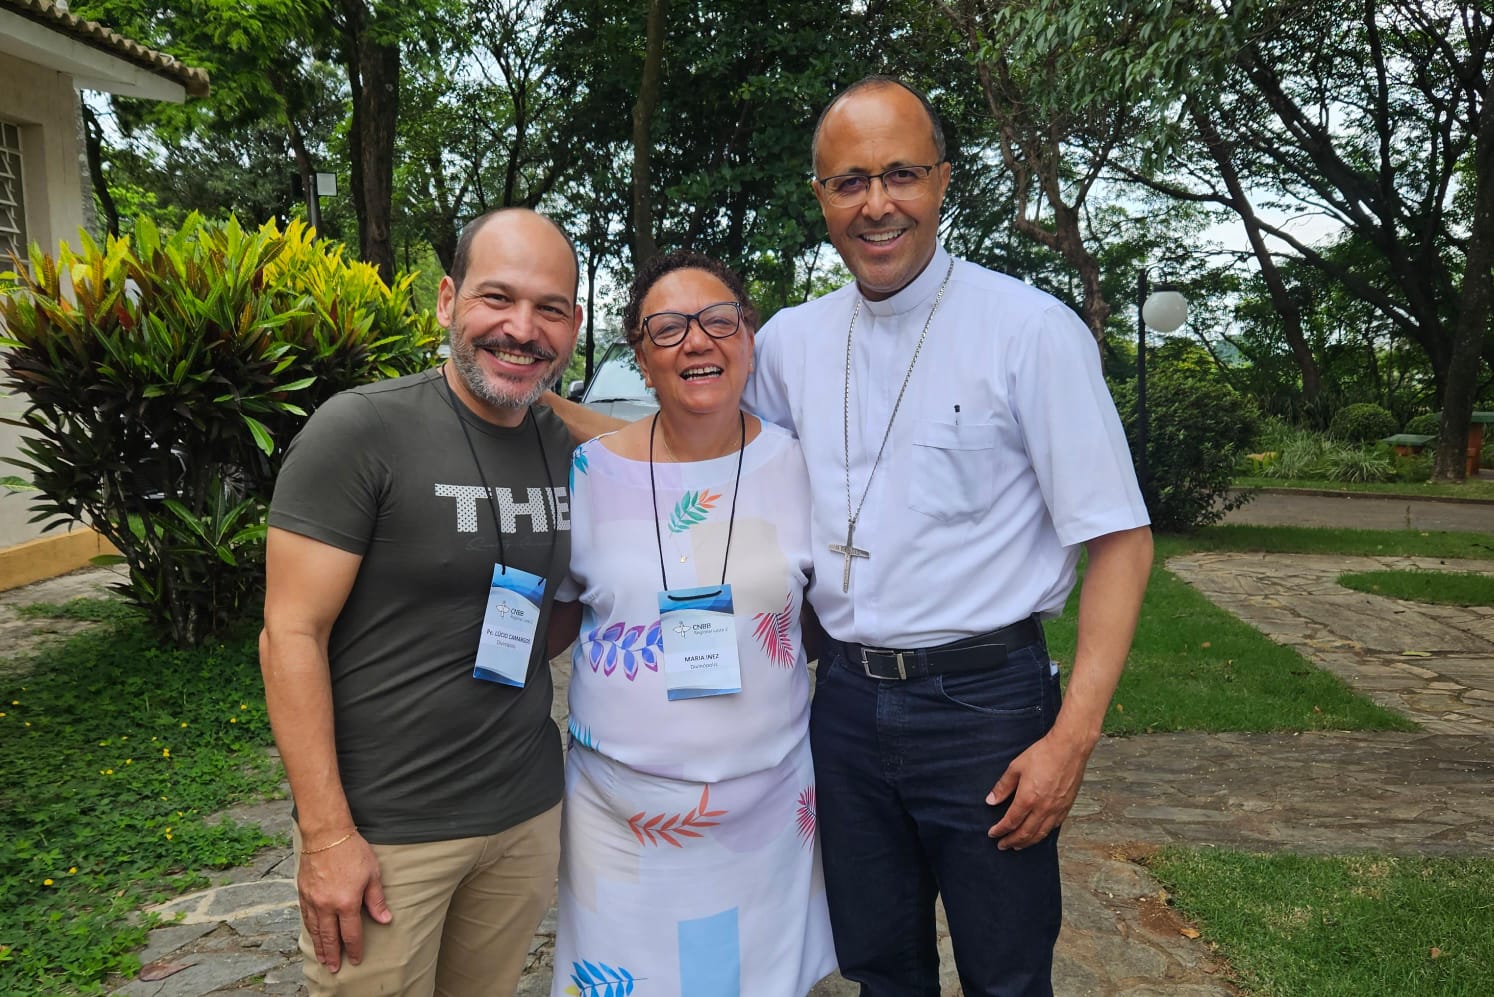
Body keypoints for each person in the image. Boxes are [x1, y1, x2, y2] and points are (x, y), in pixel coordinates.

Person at [546, 76, 1153, 997]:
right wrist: (523, 400)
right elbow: (689, 435)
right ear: (820, 196)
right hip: (843, 710)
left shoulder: (1030, 331)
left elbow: (1120, 538)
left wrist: (1072, 738)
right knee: (880, 966)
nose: (878, 203)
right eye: (850, 180)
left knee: (1008, 970)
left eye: (901, 174)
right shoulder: (789, 341)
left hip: (983, 706)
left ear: (944, 181)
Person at [259, 207, 584, 996]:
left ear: (574, 324)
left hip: (523, 812)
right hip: (388, 831)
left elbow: (670, 456)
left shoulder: (566, 443)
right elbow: (289, 633)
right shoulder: (363, 429)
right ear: (446, 301)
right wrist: (327, 832)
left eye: (550, 308)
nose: (521, 328)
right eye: (496, 298)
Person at [548, 250, 836, 996]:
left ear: (750, 335)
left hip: (766, 810)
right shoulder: (590, 474)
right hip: (619, 814)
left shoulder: (805, 468)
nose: (697, 341)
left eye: (719, 320)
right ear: (640, 356)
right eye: (667, 328)